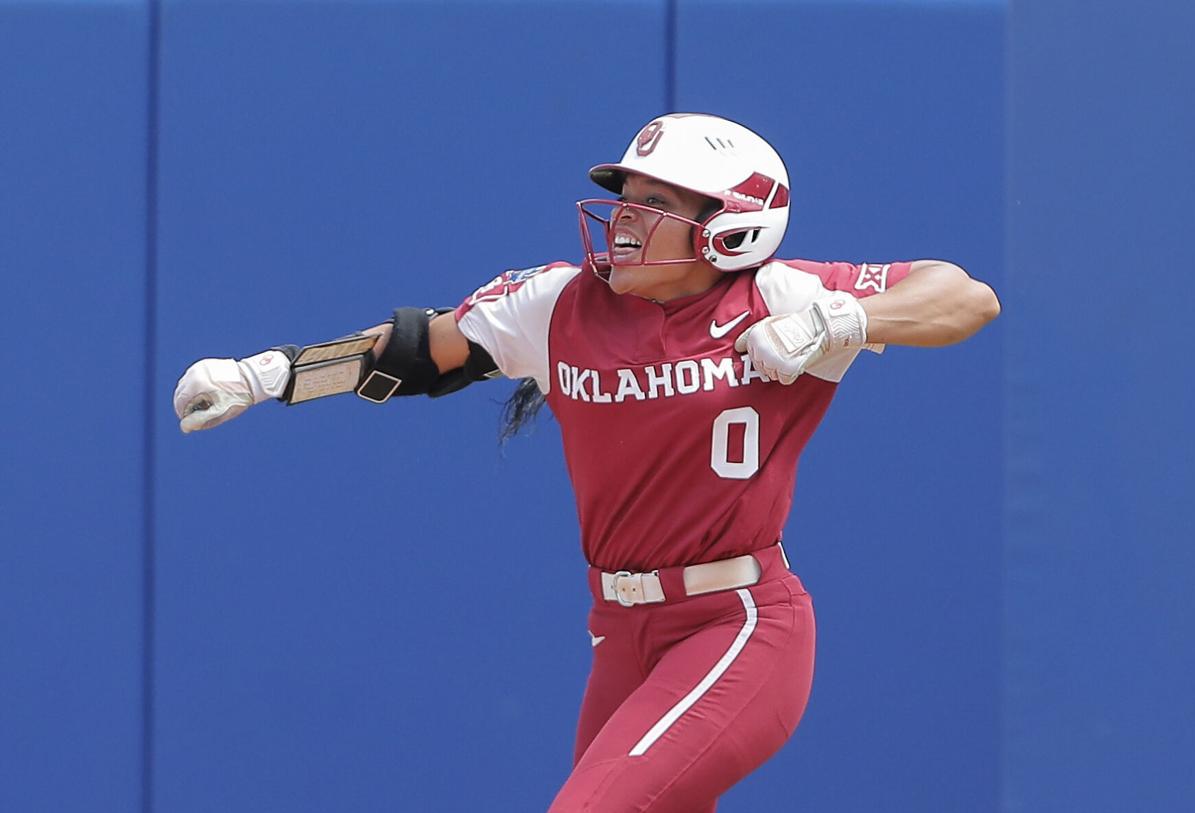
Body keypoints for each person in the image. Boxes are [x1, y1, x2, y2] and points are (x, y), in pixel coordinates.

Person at [174, 113, 1000, 812]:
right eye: (627, 197)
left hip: (739, 624)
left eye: (657, 201)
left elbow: (965, 296)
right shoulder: (562, 302)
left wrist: (841, 325)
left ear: (731, 224)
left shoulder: (780, 297)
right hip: (620, 631)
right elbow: (420, 352)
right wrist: (268, 373)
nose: (627, 216)